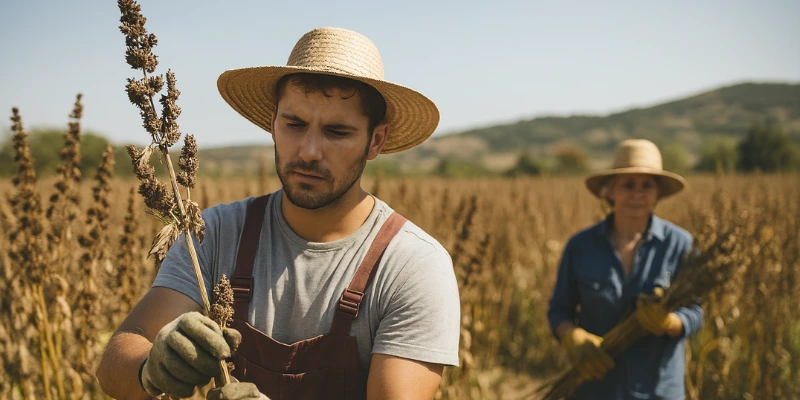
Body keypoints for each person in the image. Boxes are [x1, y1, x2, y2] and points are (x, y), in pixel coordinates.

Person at [96, 27, 460, 400]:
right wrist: (150, 367)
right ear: (273, 122)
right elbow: (116, 364)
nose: (309, 151)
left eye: (337, 132)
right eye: (295, 124)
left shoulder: (413, 265)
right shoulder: (215, 233)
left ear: (376, 141)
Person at [547, 139, 704, 400]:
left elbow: (696, 312)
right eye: (628, 185)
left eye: (646, 185)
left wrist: (670, 323)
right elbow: (558, 309)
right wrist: (570, 335)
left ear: (658, 193)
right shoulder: (580, 246)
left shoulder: (681, 244)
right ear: (610, 191)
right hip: (595, 388)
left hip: (657, 389)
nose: (637, 194)